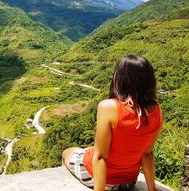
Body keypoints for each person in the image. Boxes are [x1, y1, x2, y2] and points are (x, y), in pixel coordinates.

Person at [62, 55, 162, 191]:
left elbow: (100, 157)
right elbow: (147, 154)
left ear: (120, 79)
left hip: (103, 181)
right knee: (88, 149)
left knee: (68, 152)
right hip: (129, 181)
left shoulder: (108, 107)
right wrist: (152, 189)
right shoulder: (156, 110)